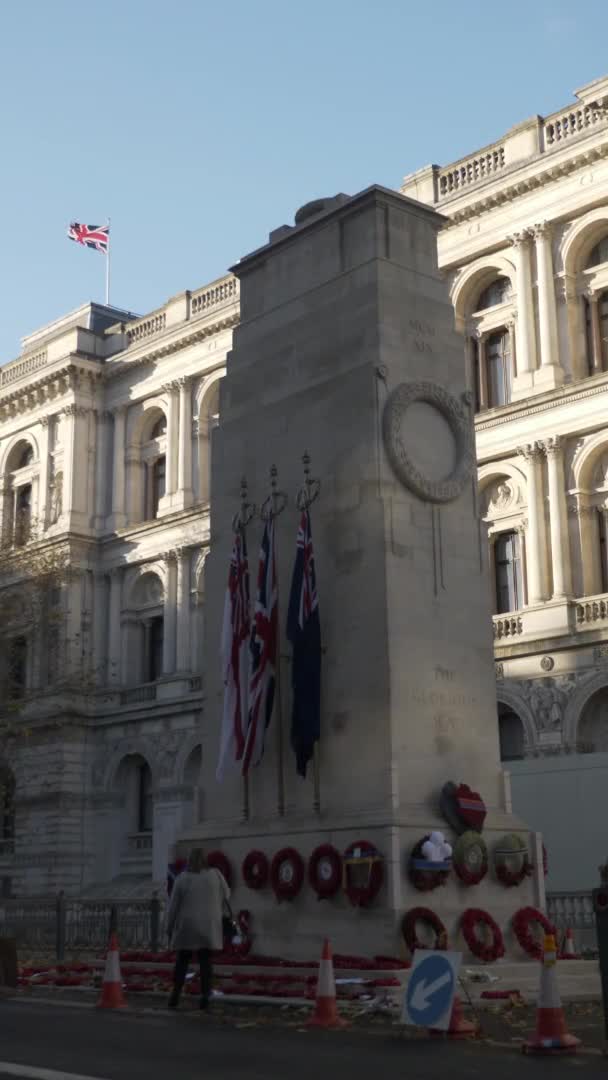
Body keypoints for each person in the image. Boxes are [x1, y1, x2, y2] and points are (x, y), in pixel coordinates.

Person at [166, 847, 230, 1010]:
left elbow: (173, 906)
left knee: (182, 961)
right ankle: (205, 997)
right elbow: (227, 894)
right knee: (205, 962)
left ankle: (175, 995)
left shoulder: (182, 878)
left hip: (187, 926)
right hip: (208, 925)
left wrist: (168, 927)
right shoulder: (215, 875)